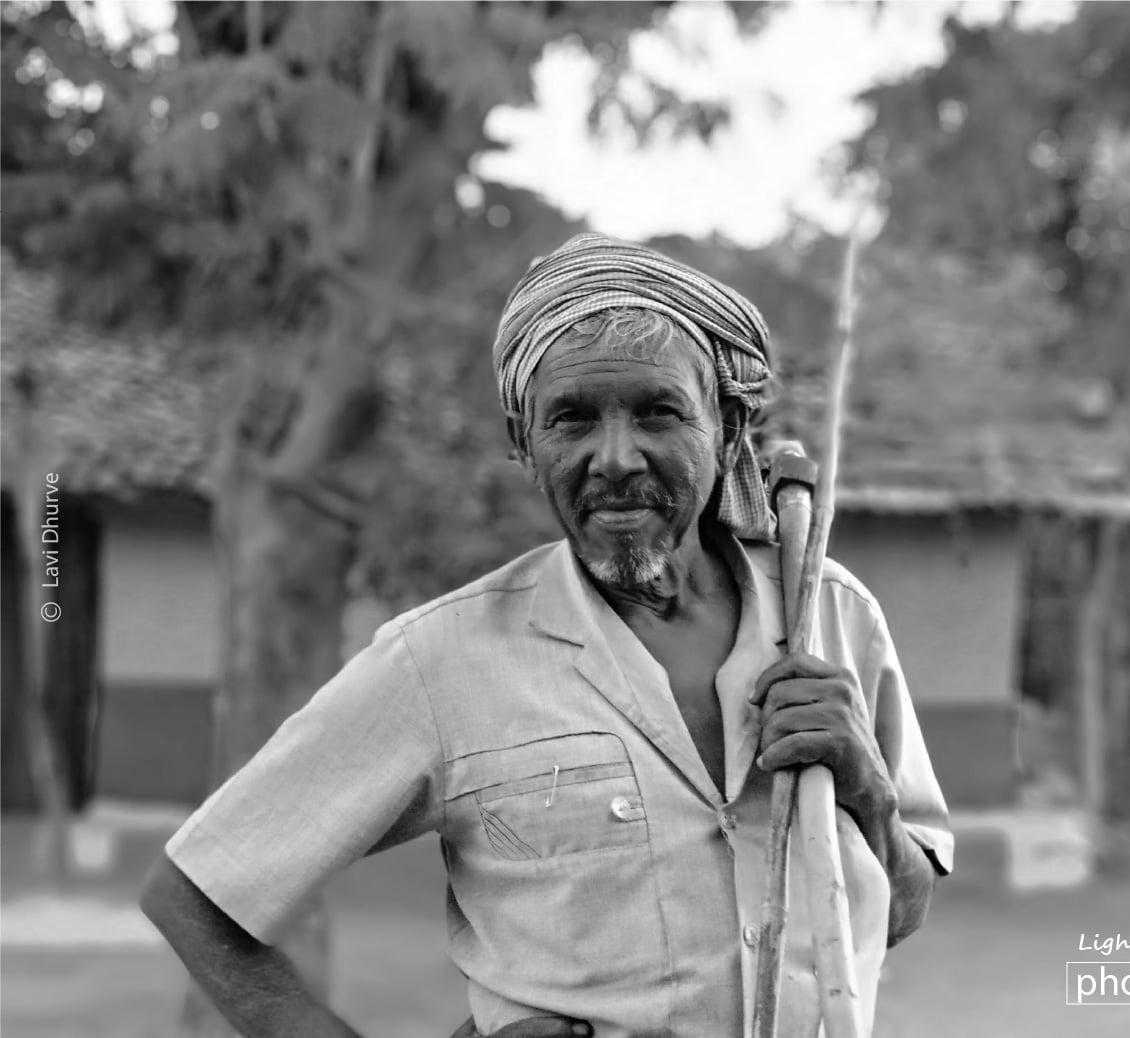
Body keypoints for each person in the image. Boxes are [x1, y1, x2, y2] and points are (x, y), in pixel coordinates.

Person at [140, 233, 953, 1038]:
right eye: (571, 419)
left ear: (730, 427)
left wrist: (869, 792)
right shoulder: (440, 660)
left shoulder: (831, 615)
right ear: (525, 445)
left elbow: (895, 915)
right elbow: (195, 896)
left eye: (658, 411)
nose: (615, 457)